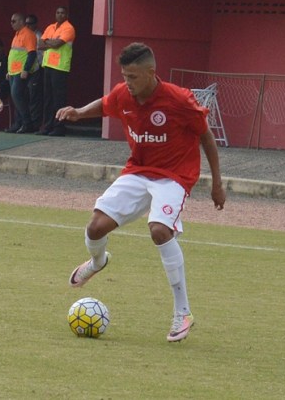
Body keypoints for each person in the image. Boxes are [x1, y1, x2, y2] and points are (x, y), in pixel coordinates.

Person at [57, 42, 226, 343]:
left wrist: (216, 183)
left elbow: (206, 136)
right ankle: (97, 262)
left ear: (151, 73)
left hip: (174, 176)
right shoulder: (124, 93)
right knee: (95, 228)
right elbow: (107, 103)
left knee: (160, 231)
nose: (128, 83)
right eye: (125, 76)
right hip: (137, 171)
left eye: (133, 77)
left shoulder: (178, 100)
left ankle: (183, 312)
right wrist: (79, 112)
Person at [38, 6, 76, 137]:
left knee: (58, 99)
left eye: (63, 13)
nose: (60, 15)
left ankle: (59, 127)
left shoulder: (69, 28)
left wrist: (48, 42)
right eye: (58, 12)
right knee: (47, 98)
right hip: (48, 65)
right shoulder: (50, 27)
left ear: (67, 15)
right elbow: (40, 45)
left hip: (60, 67)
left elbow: (57, 44)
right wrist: (50, 42)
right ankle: (47, 126)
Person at [6, 12, 37, 133]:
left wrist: (26, 69)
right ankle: (18, 123)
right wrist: (9, 71)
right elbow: (14, 54)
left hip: (21, 72)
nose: (11, 24)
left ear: (21, 22)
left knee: (18, 96)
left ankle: (27, 123)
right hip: (13, 72)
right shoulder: (17, 34)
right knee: (16, 98)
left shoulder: (28, 34)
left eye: (13, 21)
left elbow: (32, 53)